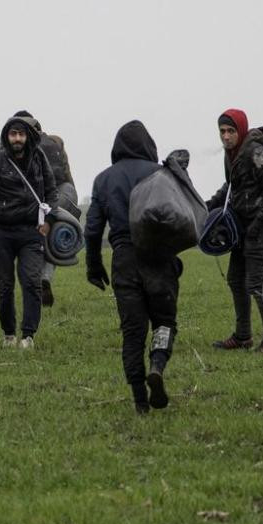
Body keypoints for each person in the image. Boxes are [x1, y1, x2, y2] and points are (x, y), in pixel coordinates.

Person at [84, 120, 181, 414]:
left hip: (124, 259)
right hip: (159, 258)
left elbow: (92, 229)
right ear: (147, 145)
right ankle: (158, 365)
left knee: (132, 332)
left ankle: (140, 400)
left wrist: (94, 264)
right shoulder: (161, 174)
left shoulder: (104, 179)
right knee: (164, 322)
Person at [0, 115, 59, 349]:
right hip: (1, 233)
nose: (17, 139)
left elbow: (52, 192)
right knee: (5, 286)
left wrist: (48, 221)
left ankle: (28, 335)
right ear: (6, 137)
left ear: (28, 136)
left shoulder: (39, 159)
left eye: (21, 134)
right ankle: (9, 334)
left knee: (32, 282)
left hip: (31, 231)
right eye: (13, 134)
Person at [208, 109, 263, 352]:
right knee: (235, 279)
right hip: (241, 227)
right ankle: (243, 337)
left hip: (259, 227)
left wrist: (257, 224)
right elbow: (232, 186)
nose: (226, 136)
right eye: (222, 131)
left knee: (255, 282)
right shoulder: (231, 154)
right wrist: (208, 206)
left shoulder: (255, 151)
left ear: (240, 130)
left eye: (231, 131)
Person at [12, 110, 77, 307]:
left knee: (27, 245)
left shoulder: (11, 142)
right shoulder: (55, 142)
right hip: (57, 198)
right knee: (52, 238)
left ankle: (32, 287)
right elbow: (67, 176)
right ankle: (45, 278)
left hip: (27, 202)